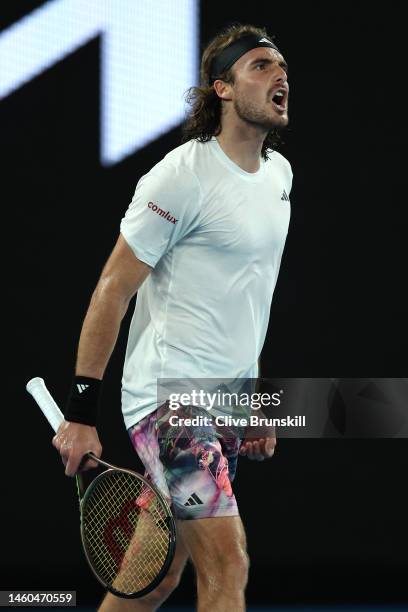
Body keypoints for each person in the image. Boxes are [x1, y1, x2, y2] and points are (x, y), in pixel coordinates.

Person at [52, 22, 292, 612]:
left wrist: (252, 400)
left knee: (153, 576)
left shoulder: (281, 178)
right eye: (260, 66)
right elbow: (112, 288)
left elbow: (247, 299)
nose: (280, 75)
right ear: (223, 89)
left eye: (282, 66)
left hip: (221, 400)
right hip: (171, 400)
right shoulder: (180, 178)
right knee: (227, 562)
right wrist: (82, 410)